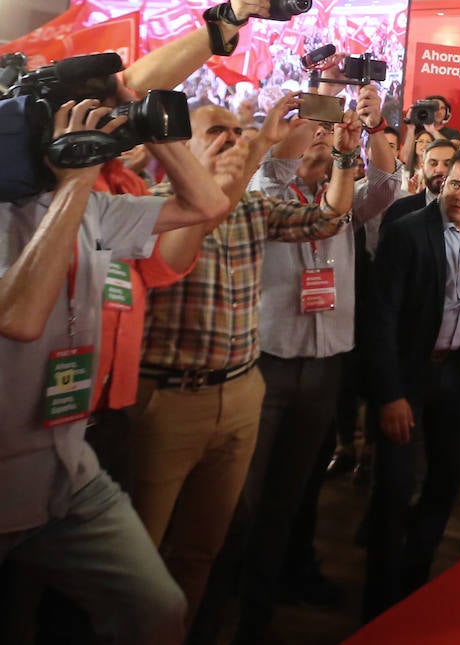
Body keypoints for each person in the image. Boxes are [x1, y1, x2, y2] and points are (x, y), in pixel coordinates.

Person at [1, 97, 228, 645]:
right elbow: (21, 317)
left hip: (68, 470)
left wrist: (159, 134)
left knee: (155, 609)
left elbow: (204, 203)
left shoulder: (93, 212)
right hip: (6, 478)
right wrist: (76, 181)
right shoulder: (53, 207)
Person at [126, 96, 357, 618]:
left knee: (202, 549)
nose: (231, 140)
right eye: (216, 133)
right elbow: (186, 241)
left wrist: (345, 158)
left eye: (236, 131)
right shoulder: (149, 206)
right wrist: (260, 146)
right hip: (168, 399)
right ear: (179, 149)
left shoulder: (253, 207)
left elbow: (326, 219)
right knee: (138, 555)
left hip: (240, 391)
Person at [192, 84, 402, 644]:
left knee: (290, 498)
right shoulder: (259, 189)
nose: (321, 134)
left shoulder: (344, 192)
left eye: (327, 128)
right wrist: (276, 141)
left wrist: (364, 138)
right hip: (266, 362)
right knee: (241, 505)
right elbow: (268, 179)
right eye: (312, 125)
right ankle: (212, 611)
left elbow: (383, 188)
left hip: (326, 361)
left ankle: (258, 614)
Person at [359, 150, 460, 619]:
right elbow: (379, 320)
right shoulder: (407, 232)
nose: (458, 194)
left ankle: (414, 582)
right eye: (453, 183)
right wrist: (390, 394)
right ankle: (378, 603)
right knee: (394, 488)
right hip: (409, 376)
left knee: (445, 481)